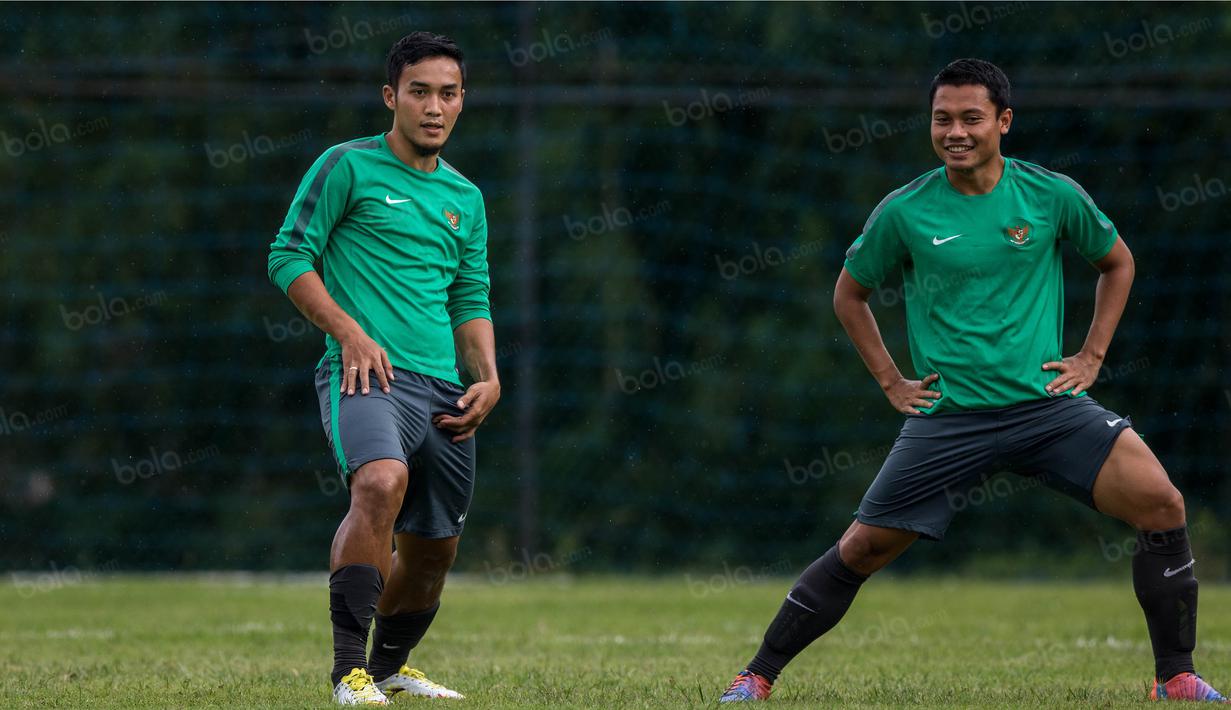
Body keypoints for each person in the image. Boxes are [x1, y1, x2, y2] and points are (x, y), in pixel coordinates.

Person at [719, 58, 1225, 704]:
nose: (954, 131)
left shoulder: (1049, 196)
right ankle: (755, 676)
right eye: (941, 119)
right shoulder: (904, 211)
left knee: (1162, 504)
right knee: (862, 548)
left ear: (1003, 122)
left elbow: (1116, 262)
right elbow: (849, 295)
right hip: (948, 419)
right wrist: (891, 383)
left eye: (970, 118)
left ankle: (1174, 678)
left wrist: (1091, 356)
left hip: (1046, 409)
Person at [267, 32, 499, 705]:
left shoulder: (466, 197)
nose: (433, 106)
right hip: (363, 376)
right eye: (419, 91)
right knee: (378, 482)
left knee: (432, 553)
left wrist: (487, 376)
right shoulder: (346, 166)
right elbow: (287, 256)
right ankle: (348, 672)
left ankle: (391, 665)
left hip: (443, 390)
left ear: (461, 102)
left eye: (447, 93)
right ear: (390, 96)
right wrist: (348, 334)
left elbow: (469, 295)